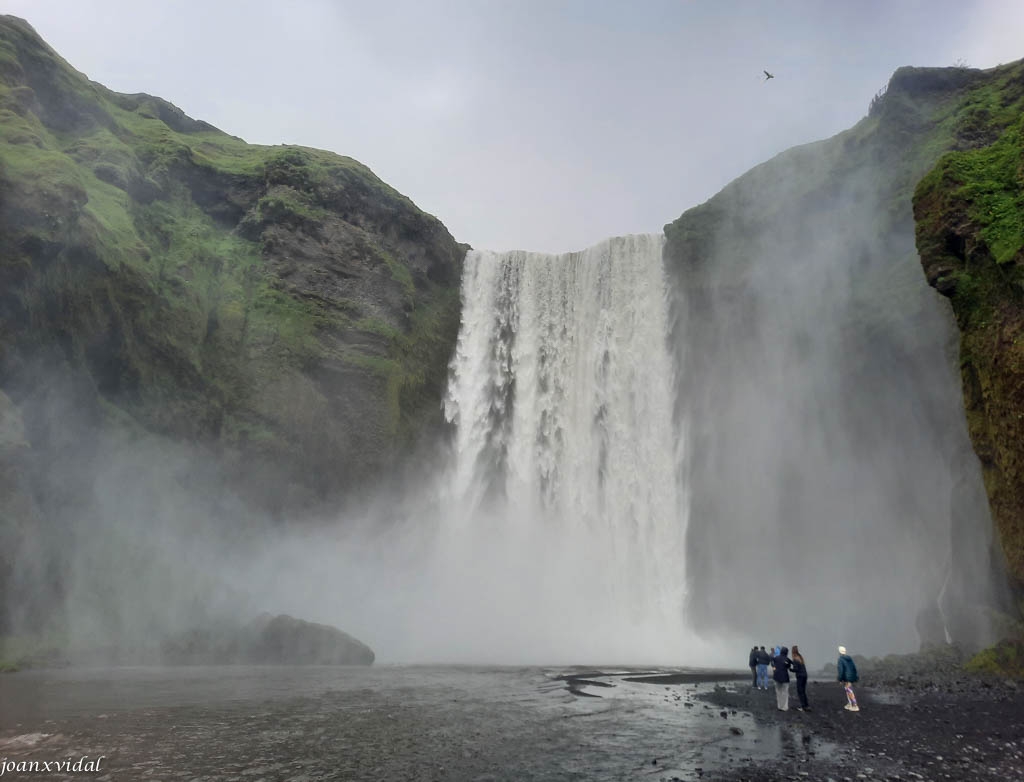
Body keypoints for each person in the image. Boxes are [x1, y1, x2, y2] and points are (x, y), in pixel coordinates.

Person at [836, 645, 859, 711]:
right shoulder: (849, 658)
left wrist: (840, 679)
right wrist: (855, 676)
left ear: (839, 652)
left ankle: (855, 705)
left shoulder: (840, 659)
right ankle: (849, 704)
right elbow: (854, 668)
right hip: (851, 676)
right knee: (847, 689)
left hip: (846, 677)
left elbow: (841, 670)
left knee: (849, 690)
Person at [772, 646, 794, 710]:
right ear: (786, 652)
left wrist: (774, 669)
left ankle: (779, 706)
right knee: (785, 692)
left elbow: (772, 663)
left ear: (781, 651)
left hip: (776, 676)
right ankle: (784, 707)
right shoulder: (787, 659)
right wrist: (788, 667)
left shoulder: (776, 658)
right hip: (785, 678)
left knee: (778, 692)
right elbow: (791, 665)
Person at [791, 645, 810, 711]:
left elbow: (796, 669)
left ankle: (803, 706)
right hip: (805, 675)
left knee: (800, 692)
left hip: (800, 677)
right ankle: (807, 705)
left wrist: (790, 669)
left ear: (792, 651)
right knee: (803, 692)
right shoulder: (800, 657)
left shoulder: (795, 658)